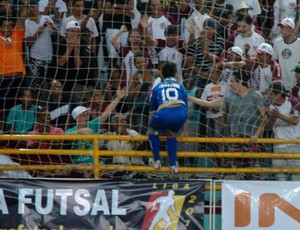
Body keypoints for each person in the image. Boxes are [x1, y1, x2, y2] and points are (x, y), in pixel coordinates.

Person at [188, 69, 267, 173]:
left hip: (252, 139)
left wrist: (256, 135)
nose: (230, 84)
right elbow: (208, 104)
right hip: (235, 139)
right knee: (236, 171)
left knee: (253, 171)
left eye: (233, 81)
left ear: (240, 82)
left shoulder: (256, 96)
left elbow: (264, 117)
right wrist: (188, 97)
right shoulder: (230, 98)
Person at [66, 87, 126, 164]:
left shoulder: (92, 125)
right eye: (84, 115)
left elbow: (107, 112)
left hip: (95, 162)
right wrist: (80, 131)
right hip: (79, 162)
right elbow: (65, 138)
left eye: (87, 115)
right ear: (77, 118)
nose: (87, 117)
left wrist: (118, 98)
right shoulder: (71, 130)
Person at [148, 62, 188, 173]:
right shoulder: (181, 87)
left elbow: (151, 111)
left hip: (165, 112)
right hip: (180, 114)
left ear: (162, 74)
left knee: (153, 131)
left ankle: (156, 160)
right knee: (171, 135)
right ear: (176, 74)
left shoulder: (158, 87)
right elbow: (186, 109)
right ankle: (173, 164)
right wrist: (185, 130)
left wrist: (149, 128)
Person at [267, 81, 300, 181]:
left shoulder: (293, 102)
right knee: (280, 179)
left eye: (271, 94)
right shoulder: (270, 107)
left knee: (296, 179)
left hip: (294, 144)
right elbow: (268, 127)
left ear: (278, 94)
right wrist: (272, 118)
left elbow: (294, 120)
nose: (269, 96)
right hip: (278, 146)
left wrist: (278, 115)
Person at [25, 0, 58, 95]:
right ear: (28, 9)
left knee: (50, 85)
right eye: (32, 7)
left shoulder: (46, 18)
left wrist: (53, 27)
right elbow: (27, 43)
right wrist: (38, 32)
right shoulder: (27, 22)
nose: (35, 9)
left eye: (36, 6)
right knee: (35, 87)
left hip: (49, 58)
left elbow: (57, 35)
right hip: (35, 59)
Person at [272, 18, 300, 90]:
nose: (282, 30)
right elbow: (274, 61)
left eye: (285, 28)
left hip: (297, 84)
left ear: (292, 29)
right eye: (281, 27)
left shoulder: (299, 43)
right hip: (282, 83)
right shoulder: (277, 42)